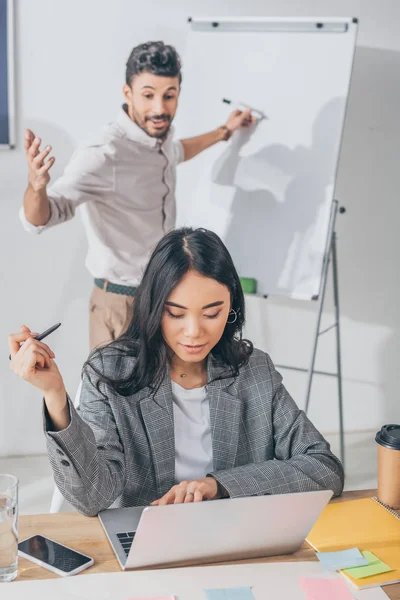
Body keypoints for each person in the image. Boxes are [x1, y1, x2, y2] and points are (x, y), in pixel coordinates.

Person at [9, 228, 344, 517]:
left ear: (232, 309)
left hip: (241, 537)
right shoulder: (109, 372)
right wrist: (54, 394)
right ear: (154, 308)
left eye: (212, 313)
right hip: (147, 544)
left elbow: (324, 468)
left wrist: (219, 486)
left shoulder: (254, 370)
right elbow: (91, 497)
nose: (194, 331)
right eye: (176, 314)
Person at [20, 41, 254, 349]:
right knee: (115, 397)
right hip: (121, 305)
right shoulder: (105, 153)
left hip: (166, 297)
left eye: (168, 96)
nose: (159, 108)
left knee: (169, 395)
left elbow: (180, 151)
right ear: (127, 93)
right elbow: (40, 218)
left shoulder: (160, 139)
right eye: (148, 95)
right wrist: (36, 188)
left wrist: (224, 131)